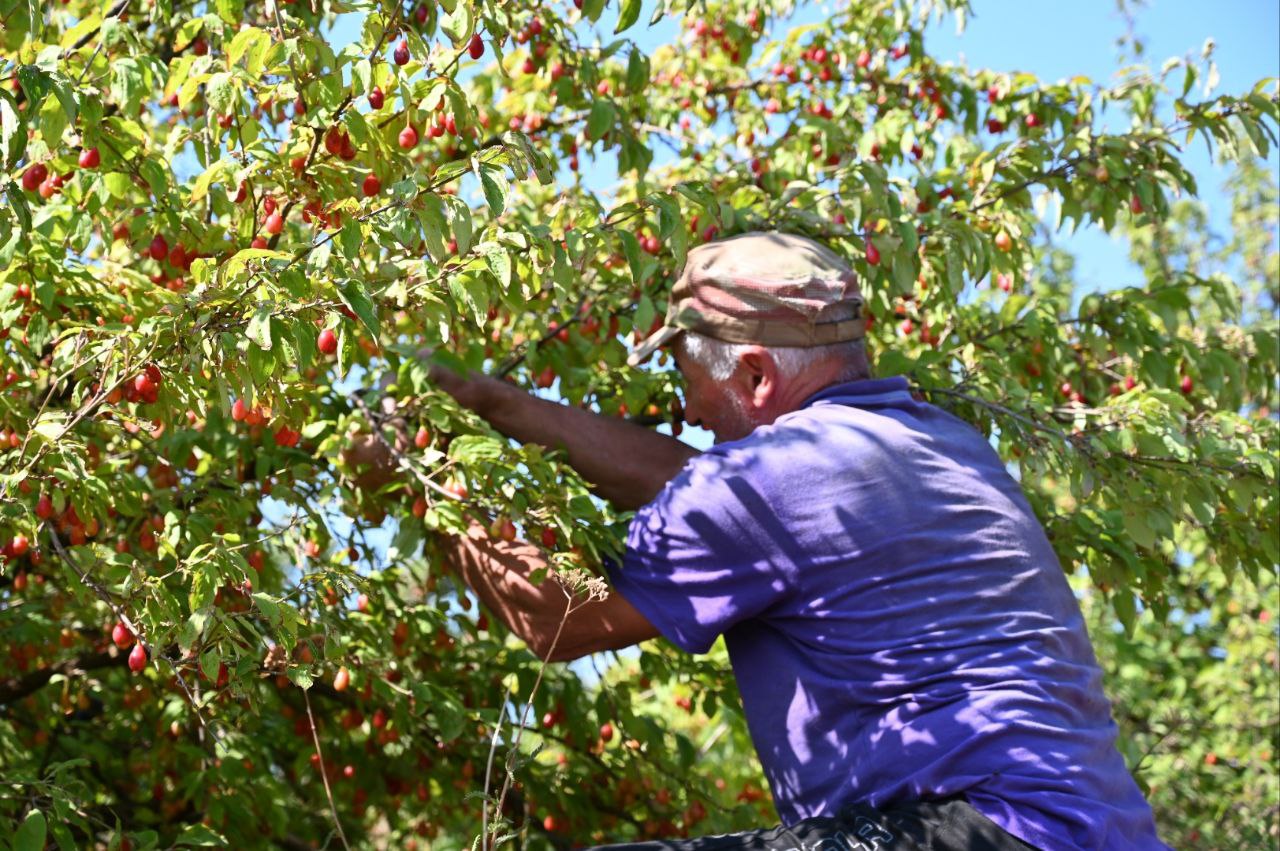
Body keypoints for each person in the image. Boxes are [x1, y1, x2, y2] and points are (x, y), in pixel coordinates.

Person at [345, 232, 1168, 850]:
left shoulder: (767, 481)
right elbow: (698, 485)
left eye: (690, 381)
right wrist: (500, 407)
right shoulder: (937, 440)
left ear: (755, 378)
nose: (690, 409)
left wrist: (425, 482)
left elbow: (560, 619)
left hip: (975, 829)